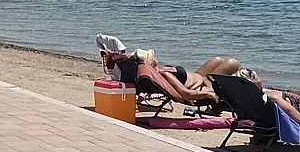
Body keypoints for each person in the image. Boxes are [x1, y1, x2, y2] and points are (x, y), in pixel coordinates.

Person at [97, 35, 244, 107]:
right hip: (202, 86)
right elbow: (185, 95)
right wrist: (211, 94)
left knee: (217, 60)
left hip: (198, 77)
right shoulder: (160, 74)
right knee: (232, 63)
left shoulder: (146, 71)